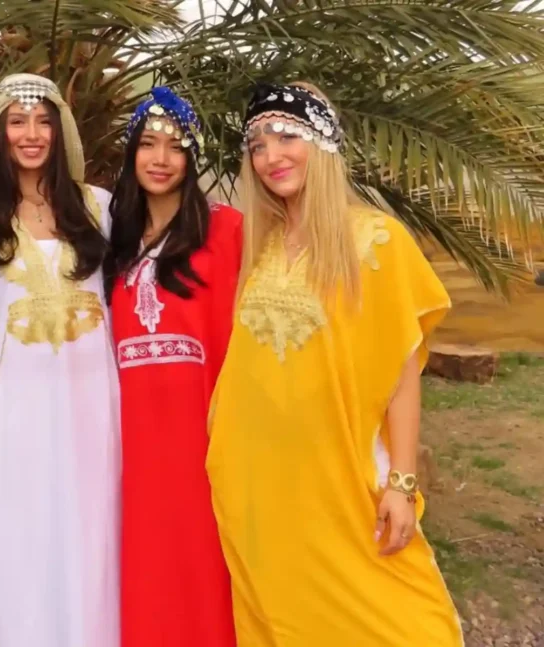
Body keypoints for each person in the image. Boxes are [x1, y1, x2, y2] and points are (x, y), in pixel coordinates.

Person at [206, 81, 462, 646]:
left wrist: (401, 483)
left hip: (340, 477)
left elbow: (401, 375)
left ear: (322, 142)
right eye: (257, 144)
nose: (271, 156)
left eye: (286, 136)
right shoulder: (264, 248)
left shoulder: (376, 241)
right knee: (285, 620)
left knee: (400, 621)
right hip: (257, 482)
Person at [0, 72, 120, 647]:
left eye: (43, 122)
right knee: (21, 544)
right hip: (17, 413)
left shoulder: (100, 208)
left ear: (60, 131)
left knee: (92, 540)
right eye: (17, 121)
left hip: (93, 408)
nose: (31, 134)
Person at [104, 86, 240, 647]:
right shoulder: (115, 239)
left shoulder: (228, 230)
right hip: (134, 443)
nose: (161, 159)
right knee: (148, 571)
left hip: (205, 435)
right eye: (148, 145)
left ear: (193, 158)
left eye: (176, 147)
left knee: (207, 567)